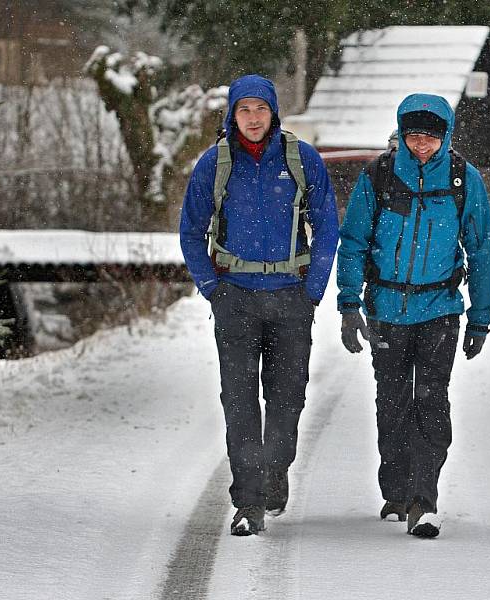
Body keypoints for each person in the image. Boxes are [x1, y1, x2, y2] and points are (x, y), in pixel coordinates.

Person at [180, 74, 339, 536]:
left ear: (273, 114)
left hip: (291, 298)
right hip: (236, 300)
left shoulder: (301, 159)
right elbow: (192, 231)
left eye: (261, 109)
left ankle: (275, 474)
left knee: (287, 399)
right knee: (240, 401)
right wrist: (211, 286)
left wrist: (313, 289)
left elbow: (327, 225)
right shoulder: (215, 163)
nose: (253, 118)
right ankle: (248, 501)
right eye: (244, 109)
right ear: (232, 114)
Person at [336, 93, 490, 538]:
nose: (421, 145)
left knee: (431, 402)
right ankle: (396, 488)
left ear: (445, 136)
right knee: (392, 405)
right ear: (401, 134)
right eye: (413, 135)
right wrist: (349, 303)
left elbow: (482, 250)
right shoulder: (379, 177)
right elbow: (353, 241)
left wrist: (480, 317)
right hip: (386, 310)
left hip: (440, 312)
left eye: (430, 136)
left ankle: (424, 500)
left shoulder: (464, 180)